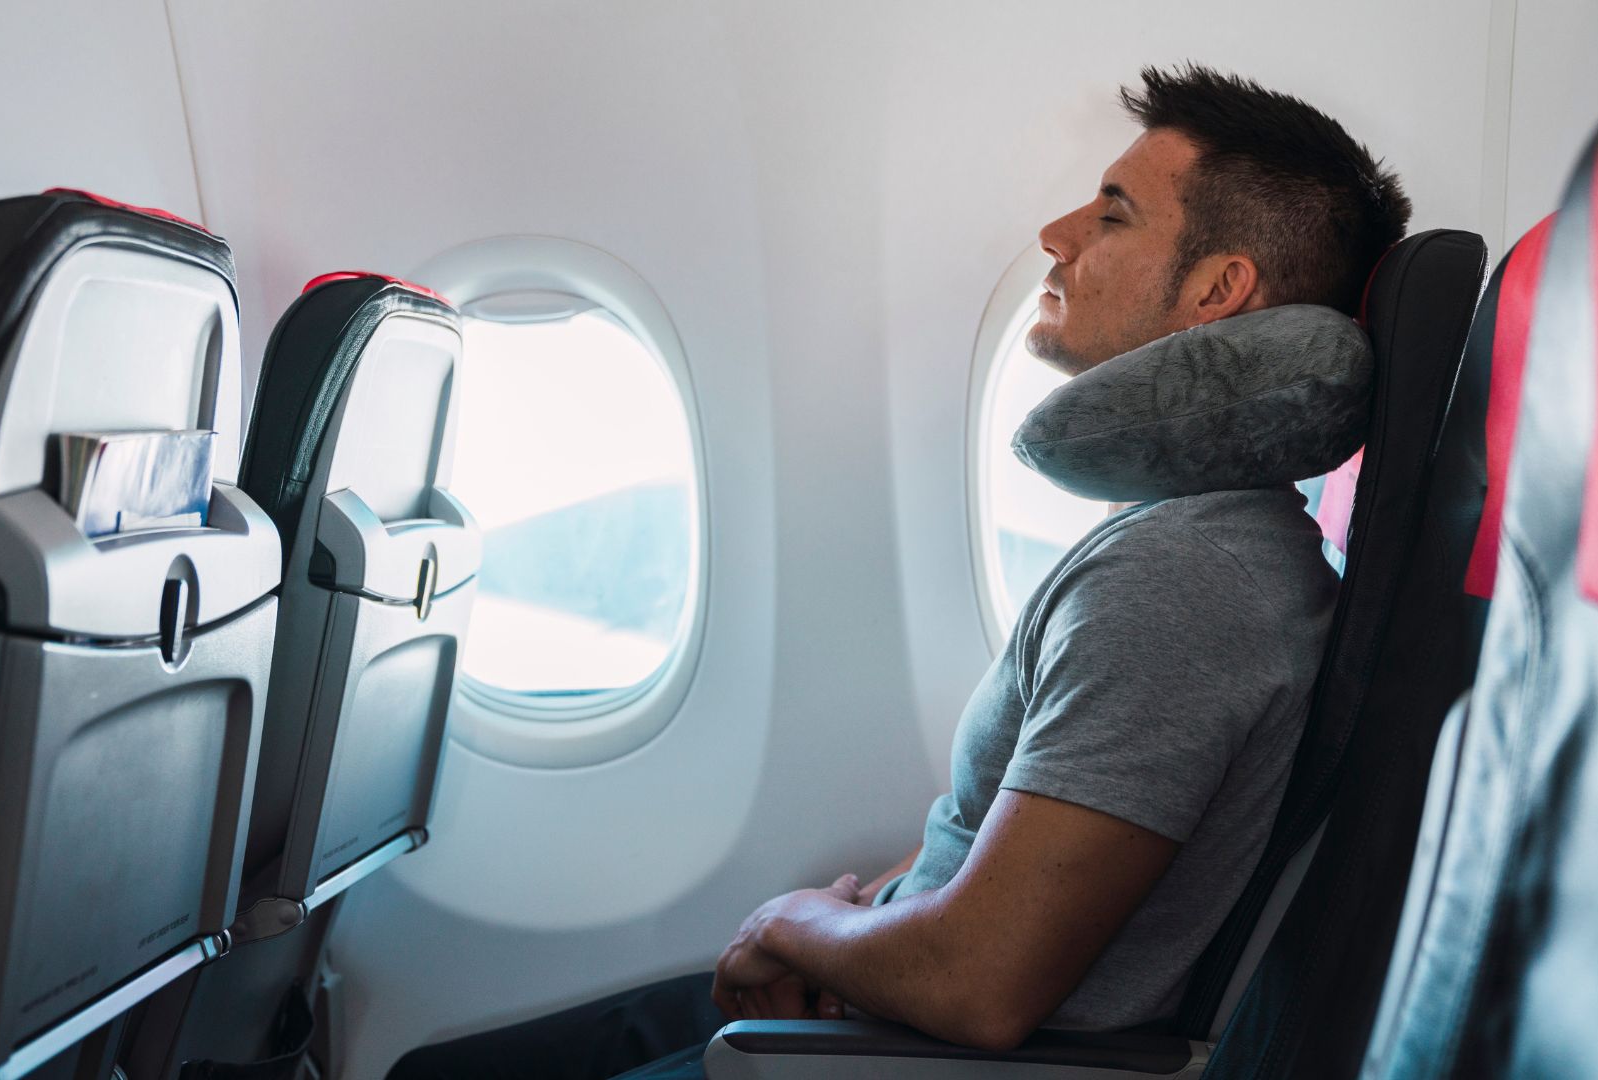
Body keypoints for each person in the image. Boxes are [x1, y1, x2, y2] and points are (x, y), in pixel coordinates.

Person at [388, 62, 1410, 1080]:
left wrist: (794, 925)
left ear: (1217, 290)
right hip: (881, 1000)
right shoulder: (1184, 542)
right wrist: (864, 917)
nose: (1055, 236)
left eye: (1112, 215)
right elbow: (997, 845)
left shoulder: (1183, 581)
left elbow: (980, 986)